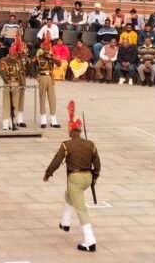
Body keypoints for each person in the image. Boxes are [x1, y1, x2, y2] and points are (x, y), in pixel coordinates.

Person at [43, 102, 101, 253]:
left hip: (75, 178)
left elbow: (56, 161)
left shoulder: (66, 145)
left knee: (81, 209)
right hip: (87, 178)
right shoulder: (91, 144)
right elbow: (97, 164)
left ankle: (90, 241)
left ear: (70, 130)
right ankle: (65, 222)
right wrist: (94, 177)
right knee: (69, 195)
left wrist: (48, 173)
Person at [0, 36, 27, 130]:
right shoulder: (4, 61)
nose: (14, 58)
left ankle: (12, 122)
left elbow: (20, 72)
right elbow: (3, 74)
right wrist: (7, 83)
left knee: (15, 104)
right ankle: (5, 124)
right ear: (9, 54)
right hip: (8, 83)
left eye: (15, 56)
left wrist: (22, 84)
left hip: (16, 84)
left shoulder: (17, 62)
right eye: (12, 56)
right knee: (7, 104)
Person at [35, 36, 60, 129]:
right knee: (42, 98)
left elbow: (59, 63)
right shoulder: (38, 56)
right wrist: (35, 75)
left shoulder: (51, 56)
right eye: (45, 46)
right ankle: (43, 120)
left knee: (52, 99)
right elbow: (30, 65)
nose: (46, 48)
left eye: (48, 46)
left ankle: (54, 121)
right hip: (42, 77)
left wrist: (51, 58)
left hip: (50, 77)